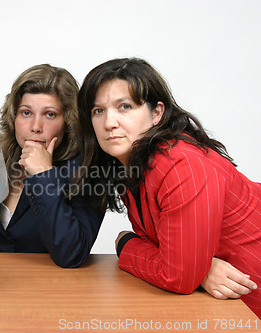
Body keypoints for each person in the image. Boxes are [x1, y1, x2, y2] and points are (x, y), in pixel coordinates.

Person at [75, 57, 261, 317]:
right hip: (226, 306)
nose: (109, 123)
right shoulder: (132, 167)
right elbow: (173, 259)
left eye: (124, 107)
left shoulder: (181, 164)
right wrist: (200, 270)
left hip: (249, 301)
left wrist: (126, 244)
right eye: (98, 111)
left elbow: (178, 277)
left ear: (157, 113)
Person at [0, 64, 104, 268]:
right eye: (26, 113)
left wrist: (43, 174)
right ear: (14, 116)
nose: (36, 127)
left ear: (69, 120)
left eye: (50, 114)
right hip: (0, 279)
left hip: (54, 286)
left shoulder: (87, 166)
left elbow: (72, 255)